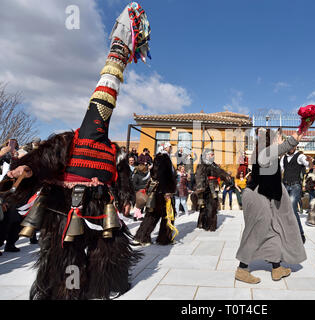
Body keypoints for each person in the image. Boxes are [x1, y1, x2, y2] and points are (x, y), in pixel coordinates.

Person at [3, 5, 151, 299]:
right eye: (100, 115)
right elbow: (44, 157)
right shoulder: (68, 139)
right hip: (66, 204)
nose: (103, 119)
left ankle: (107, 281)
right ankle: (63, 290)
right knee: (65, 255)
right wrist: (25, 168)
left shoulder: (112, 150)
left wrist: (128, 196)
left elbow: (118, 178)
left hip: (99, 203)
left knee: (109, 246)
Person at [235, 127, 308, 284]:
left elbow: (281, 150)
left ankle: (276, 268)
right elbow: (283, 147)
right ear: (271, 140)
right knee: (255, 232)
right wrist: (297, 136)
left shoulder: (265, 153)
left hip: (264, 196)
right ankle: (242, 269)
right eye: (279, 138)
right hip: (256, 196)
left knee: (273, 232)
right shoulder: (264, 152)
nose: (280, 140)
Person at [133, 142, 177, 246]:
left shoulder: (159, 158)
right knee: (168, 215)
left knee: (152, 214)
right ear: (166, 147)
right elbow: (163, 176)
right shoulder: (164, 158)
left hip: (158, 191)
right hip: (164, 192)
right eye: (170, 147)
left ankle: (141, 237)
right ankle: (164, 239)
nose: (171, 149)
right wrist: (167, 191)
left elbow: (156, 174)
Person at [194, 149, 230, 231]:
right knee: (207, 207)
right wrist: (200, 187)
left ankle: (206, 224)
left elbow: (220, 171)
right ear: (206, 155)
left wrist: (226, 176)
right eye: (211, 154)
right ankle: (207, 225)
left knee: (211, 206)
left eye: (213, 154)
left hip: (213, 187)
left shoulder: (213, 164)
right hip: (206, 188)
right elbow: (199, 175)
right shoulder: (202, 164)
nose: (213, 156)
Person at [280, 147, 308, 241]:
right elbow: (280, 170)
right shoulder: (283, 158)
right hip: (285, 185)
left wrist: (310, 161)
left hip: (295, 185)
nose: (292, 147)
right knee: (283, 209)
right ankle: (286, 232)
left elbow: (308, 164)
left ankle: (300, 233)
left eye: (294, 145)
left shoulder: (300, 156)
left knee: (292, 208)